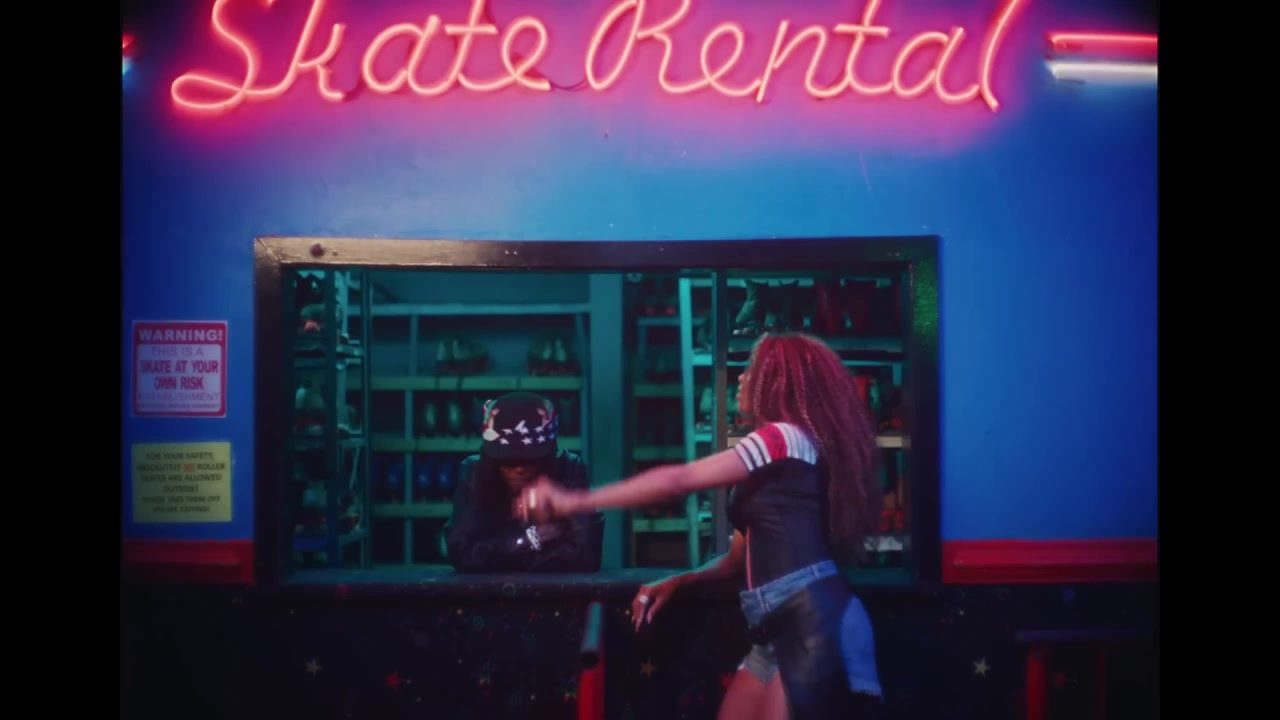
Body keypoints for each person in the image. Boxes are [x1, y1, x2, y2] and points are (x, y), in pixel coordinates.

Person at [518, 333, 884, 720]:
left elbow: (680, 480)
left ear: (779, 381)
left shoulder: (782, 437)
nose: (741, 378)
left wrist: (572, 501)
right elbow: (736, 560)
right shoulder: (777, 457)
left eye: (752, 370)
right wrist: (681, 579)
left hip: (811, 620)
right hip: (773, 627)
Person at [445, 392, 604, 573]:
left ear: (548, 456)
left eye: (529, 460)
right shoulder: (474, 472)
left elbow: (586, 556)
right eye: (508, 461)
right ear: (492, 458)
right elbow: (462, 553)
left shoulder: (571, 470)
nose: (519, 469)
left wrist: (502, 553)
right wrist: (529, 540)